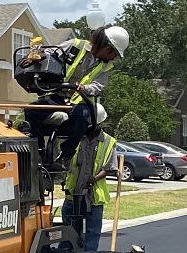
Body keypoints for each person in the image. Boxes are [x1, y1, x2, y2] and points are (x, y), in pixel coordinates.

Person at [23, 25, 128, 171]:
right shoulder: (75, 45)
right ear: (107, 48)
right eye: (115, 54)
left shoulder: (105, 67)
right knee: (32, 111)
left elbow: (98, 86)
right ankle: (38, 153)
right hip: (56, 97)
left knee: (81, 115)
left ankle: (65, 156)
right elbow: (52, 52)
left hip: (78, 102)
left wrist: (84, 88)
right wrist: (38, 56)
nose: (115, 58)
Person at [61, 104, 117, 252]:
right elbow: (66, 161)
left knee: (92, 232)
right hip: (73, 194)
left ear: (96, 123)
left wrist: (94, 179)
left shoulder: (108, 142)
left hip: (93, 196)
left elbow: (109, 168)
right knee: (69, 231)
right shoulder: (77, 139)